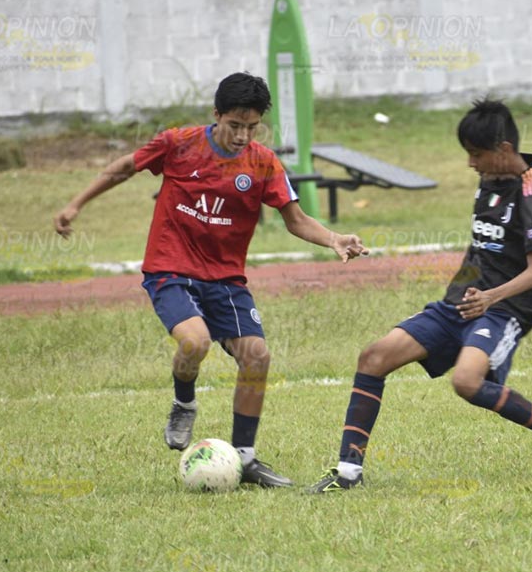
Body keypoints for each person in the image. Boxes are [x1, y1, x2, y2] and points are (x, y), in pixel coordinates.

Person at [53, 72, 368, 488]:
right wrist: (76, 205)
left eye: (251, 127)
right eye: (234, 125)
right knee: (195, 341)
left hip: (226, 278)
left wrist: (333, 239)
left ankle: (245, 459)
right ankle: (184, 401)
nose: (242, 135)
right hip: (170, 269)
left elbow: (294, 219)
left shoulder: (262, 163)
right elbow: (123, 169)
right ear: (216, 115)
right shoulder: (178, 143)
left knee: (257, 356)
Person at [307, 98, 532, 493]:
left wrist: (490, 298)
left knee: (467, 382)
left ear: (504, 150)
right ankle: (348, 473)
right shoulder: (491, 179)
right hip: (459, 303)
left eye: (476, 155)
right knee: (373, 358)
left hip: (504, 309)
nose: (471, 164)